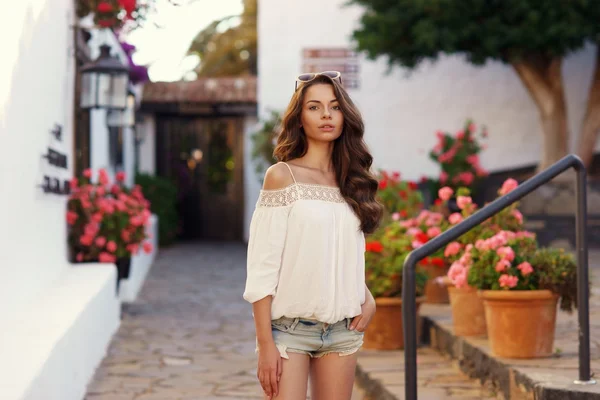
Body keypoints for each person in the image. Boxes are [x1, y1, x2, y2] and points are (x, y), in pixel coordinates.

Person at [243, 71, 383, 400]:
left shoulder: (353, 181)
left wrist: (366, 295)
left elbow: (341, 250)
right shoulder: (282, 176)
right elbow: (263, 267)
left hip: (342, 330)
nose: (325, 115)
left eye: (334, 107)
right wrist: (265, 345)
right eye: (314, 107)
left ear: (344, 116)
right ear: (299, 117)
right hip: (289, 331)